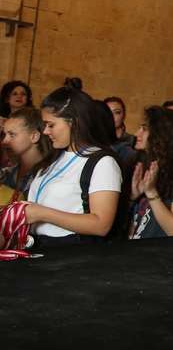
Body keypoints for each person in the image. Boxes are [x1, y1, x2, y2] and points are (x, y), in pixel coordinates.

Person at [25, 87, 123, 244]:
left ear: (74, 123)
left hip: (69, 249)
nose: (45, 131)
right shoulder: (55, 156)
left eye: (51, 125)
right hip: (38, 245)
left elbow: (101, 225)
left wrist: (42, 214)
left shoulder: (103, 163)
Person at [128, 106, 173, 239]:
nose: (137, 134)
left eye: (144, 129)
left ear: (161, 135)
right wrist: (132, 198)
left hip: (158, 250)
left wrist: (151, 192)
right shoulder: (144, 165)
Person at [1, 107, 57, 205]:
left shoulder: (48, 175)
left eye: (12, 134)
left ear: (34, 136)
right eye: (4, 135)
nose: (4, 141)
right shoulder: (8, 173)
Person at [104, 96, 136, 162]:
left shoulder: (133, 141)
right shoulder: (96, 141)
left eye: (117, 112)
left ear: (124, 115)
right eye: (108, 112)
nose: (112, 116)